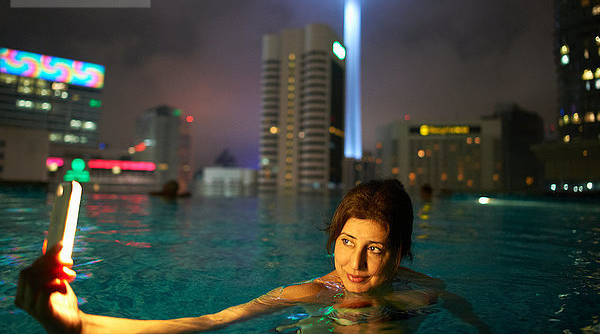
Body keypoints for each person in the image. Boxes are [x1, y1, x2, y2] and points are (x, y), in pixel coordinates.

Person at [16, 179, 490, 333]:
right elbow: (205, 323)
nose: (356, 265)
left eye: (375, 249)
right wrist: (80, 323)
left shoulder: (429, 292)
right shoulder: (308, 293)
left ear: (401, 250)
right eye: (347, 242)